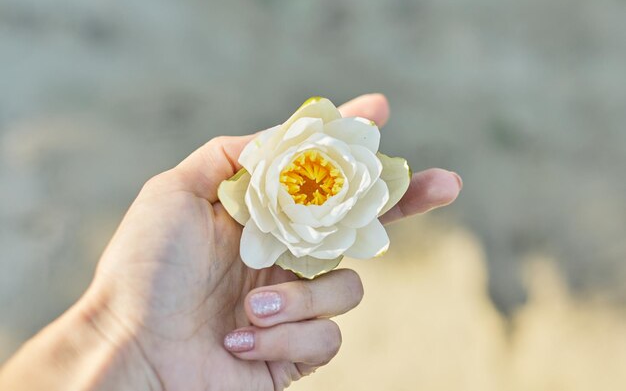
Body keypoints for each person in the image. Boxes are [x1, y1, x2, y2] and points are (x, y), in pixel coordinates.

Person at [0, 94, 462, 391]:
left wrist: (138, 357)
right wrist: (131, 341)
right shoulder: (244, 196)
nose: (313, 184)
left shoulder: (329, 225)